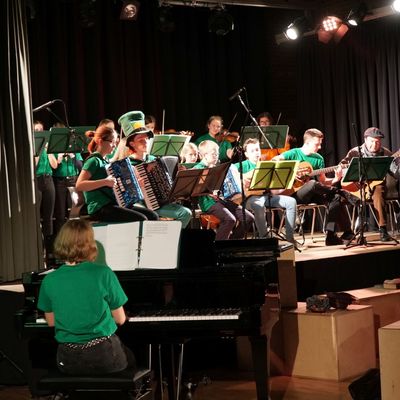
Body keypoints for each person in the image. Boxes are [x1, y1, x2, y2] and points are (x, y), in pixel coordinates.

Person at [37, 219, 135, 375]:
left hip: (68, 359)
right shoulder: (104, 273)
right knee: (132, 359)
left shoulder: (49, 280)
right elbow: (120, 319)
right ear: (90, 245)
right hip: (103, 355)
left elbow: (51, 322)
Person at [273, 128, 357, 246]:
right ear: (307, 143)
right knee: (312, 183)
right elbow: (274, 160)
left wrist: (335, 179)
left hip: (312, 192)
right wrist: (293, 172)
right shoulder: (293, 153)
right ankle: (340, 191)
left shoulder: (318, 158)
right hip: (294, 194)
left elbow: (323, 182)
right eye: (317, 144)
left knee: (335, 197)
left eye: (320, 144)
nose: (320, 147)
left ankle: (331, 235)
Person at [120, 111, 192, 228]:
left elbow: (167, 181)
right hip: (140, 204)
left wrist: (179, 175)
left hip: (159, 203)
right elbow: (125, 196)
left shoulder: (154, 159)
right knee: (145, 215)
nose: (146, 142)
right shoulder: (127, 165)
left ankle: (172, 236)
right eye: (141, 140)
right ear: (132, 144)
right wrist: (137, 186)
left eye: (147, 139)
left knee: (186, 213)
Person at [75, 125, 156, 222]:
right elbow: (79, 185)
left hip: (113, 204)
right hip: (99, 207)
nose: (114, 145)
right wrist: (104, 182)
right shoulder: (93, 161)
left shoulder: (107, 161)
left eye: (116, 142)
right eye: (112, 142)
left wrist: (136, 185)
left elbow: (118, 186)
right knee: (141, 219)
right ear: (100, 141)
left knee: (153, 215)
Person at [235, 138, 298, 245]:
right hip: (247, 198)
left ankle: (289, 237)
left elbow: (274, 189)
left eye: (257, 149)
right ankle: (264, 238)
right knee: (259, 205)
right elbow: (229, 174)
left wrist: (289, 179)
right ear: (246, 154)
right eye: (252, 151)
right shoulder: (241, 165)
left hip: (265, 196)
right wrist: (242, 179)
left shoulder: (267, 166)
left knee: (291, 202)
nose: (256, 153)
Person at [339, 127, 396, 242]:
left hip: (376, 186)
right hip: (358, 187)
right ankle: (347, 231)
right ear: (365, 140)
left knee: (379, 190)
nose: (375, 145)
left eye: (378, 142)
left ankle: (383, 229)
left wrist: (396, 167)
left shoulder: (386, 153)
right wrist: (344, 172)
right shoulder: (355, 152)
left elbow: (394, 172)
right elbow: (343, 167)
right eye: (372, 141)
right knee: (337, 197)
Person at [194, 140, 254, 240]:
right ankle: (219, 246)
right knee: (229, 219)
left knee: (248, 218)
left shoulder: (217, 167)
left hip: (222, 200)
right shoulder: (198, 168)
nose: (217, 156)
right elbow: (196, 190)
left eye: (217, 154)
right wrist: (208, 192)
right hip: (208, 203)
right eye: (214, 154)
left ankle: (232, 242)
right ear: (205, 155)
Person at [34, 120, 58, 264]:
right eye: (36, 131)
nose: (40, 133)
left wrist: (48, 151)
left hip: (48, 180)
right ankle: (37, 250)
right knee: (36, 217)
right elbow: (34, 165)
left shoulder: (47, 146)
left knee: (49, 218)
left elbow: (54, 165)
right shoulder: (33, 146)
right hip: (36, 181)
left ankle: (49, 253)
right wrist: (38, 149)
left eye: (41, 130)